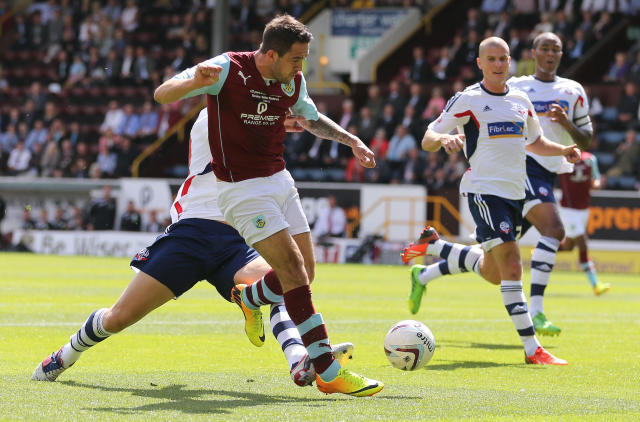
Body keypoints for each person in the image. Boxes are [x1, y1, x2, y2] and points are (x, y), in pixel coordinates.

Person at [32, 110, 354, 386]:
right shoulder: (211, 116)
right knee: (118, 319)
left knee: (285, 278)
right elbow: (252, 123)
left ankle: (300, 360)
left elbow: (292, 117)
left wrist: (346, 138)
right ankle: (65, 355)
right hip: (192, 234)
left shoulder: (260, 128)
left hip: (235, 243)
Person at [153, 14, 382, 397]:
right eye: (296, 58)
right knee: (290, 269)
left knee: (305, 272)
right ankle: (327, 370)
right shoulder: (228, 68)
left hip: (279, 181)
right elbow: (163, 93)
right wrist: (193, 81)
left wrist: (352, 140)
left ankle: (249, 296)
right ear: (271, 53)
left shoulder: (293, 81)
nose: (301, 66)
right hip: (241, 188)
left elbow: (310, 118)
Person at [402, 36, 579, 365]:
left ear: (510, 61)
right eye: (492, 59)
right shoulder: (467, 99)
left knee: (495, 272)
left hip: (515, 193)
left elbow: (536, 142)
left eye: (504, 59)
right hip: (483, 191)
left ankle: (434, 248)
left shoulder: (521, 99)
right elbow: (428, 137)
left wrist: (564, 150)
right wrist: (444, 139)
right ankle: (532, 349)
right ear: (480, 63)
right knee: (513, 264)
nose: (499, 65)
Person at [506, 32, 594, 336]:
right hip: (522, 168)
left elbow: (586, 138)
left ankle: (427, 269)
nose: (550, 53)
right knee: (555, 230)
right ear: (534, 52)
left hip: (549, 172)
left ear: (561, 54)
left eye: (556, 48)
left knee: (493, 260)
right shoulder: (516, 86)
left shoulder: (573, 91)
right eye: (545, 47)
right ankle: (537, 312)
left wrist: (565, 123)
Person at [557, 151, 611, 295]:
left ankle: (541, 249)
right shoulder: (563, 155)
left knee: (568, 246)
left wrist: (598, 183)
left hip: (583, 209)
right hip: (568, 209)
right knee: (582, 242)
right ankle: (595, 284)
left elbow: (596, 179)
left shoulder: (590, 159)